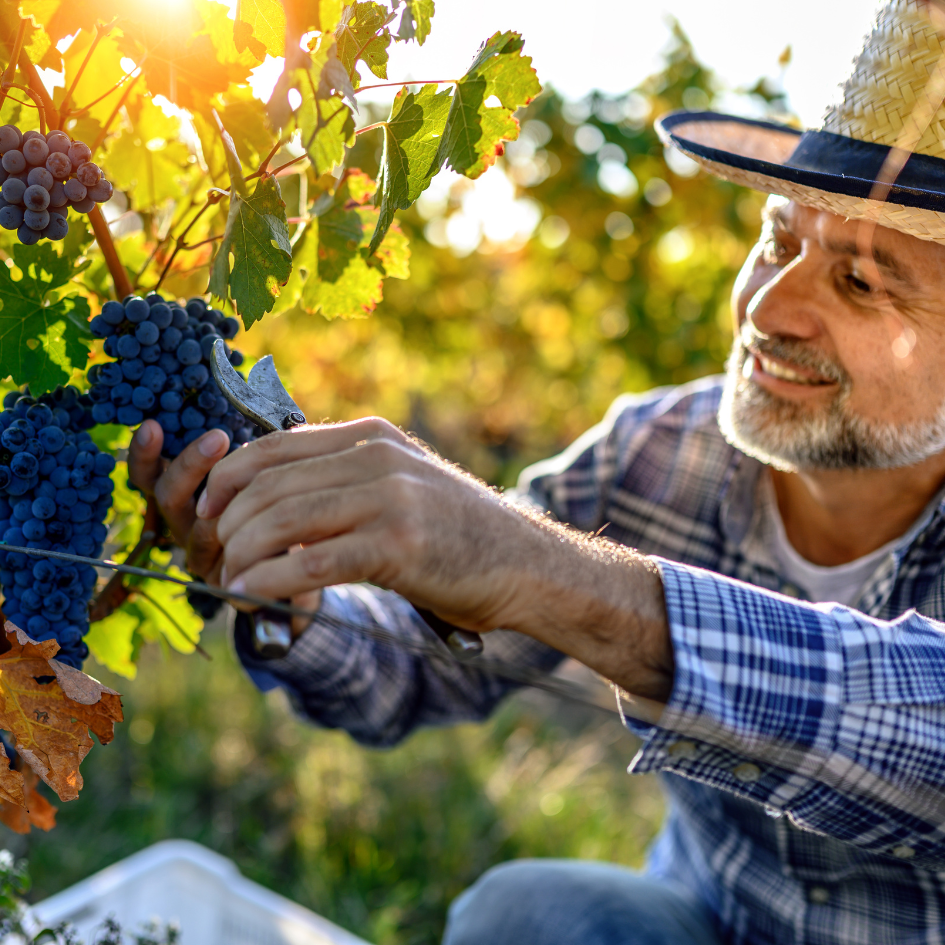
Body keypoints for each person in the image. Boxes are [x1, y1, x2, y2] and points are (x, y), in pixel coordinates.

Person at [128, 1, 945, 942]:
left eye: (859, 282)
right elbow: (415, 668)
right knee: (529, 913)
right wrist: (293, 589)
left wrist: (550, 573)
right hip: (716, 920)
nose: (769, 304)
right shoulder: (657, 450)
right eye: (776, 239)